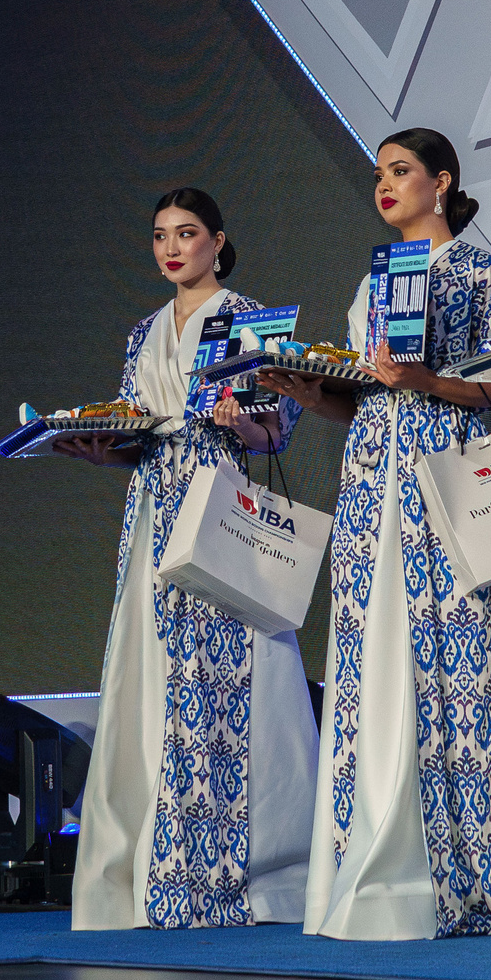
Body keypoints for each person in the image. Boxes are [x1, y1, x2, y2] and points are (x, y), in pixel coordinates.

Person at [261, 129, 491, 939]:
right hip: (370, 477)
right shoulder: (375, 278)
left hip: (444, 472)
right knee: (374, 649)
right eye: (379, 174)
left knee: (456, 652)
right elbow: (369, 395)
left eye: (401, 171)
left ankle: (471, 868)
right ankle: (378, 850)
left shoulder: (478, 269)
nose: (385, 185)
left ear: (442, 180)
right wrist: (312, 392)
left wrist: (425, 380)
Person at [64, 188, 318, 929]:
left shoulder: (250, 316)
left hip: (220, 508)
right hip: (153, 511)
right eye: (160, 236)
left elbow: (276, 433)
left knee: (233, 677)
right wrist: (100, 449)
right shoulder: (143, 331)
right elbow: (137, 431)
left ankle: (255, 873)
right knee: (151, 676)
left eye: (186, 233)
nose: (171, 248)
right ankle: (149, 866)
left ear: (218, 240)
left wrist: (245, 423)